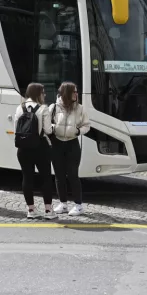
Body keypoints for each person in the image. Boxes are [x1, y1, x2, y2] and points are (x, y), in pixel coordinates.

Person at [13, 82, 55, 219]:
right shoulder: (43, 108)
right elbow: (48, 130)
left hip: (23, 147)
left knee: (27, 177)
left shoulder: (20, 107)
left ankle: (31, 210)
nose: (44, 95)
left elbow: (16, 128)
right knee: (45, 178)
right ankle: (48, 211)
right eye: (43, 92)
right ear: (38, 94)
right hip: (40, 146)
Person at [49, 81, 89, 216]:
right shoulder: (53, 107)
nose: (77, 94)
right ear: (66, 93)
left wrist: (78, 131)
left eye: (77, 91)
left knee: (73, 175)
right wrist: (53, 128)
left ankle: (78, 205)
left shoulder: (80, 108)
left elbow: (87, 125)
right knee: (59, 175)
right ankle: (63, 204)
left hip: (72, 144)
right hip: (57, 143)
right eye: (74, 91)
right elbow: (46, 124)